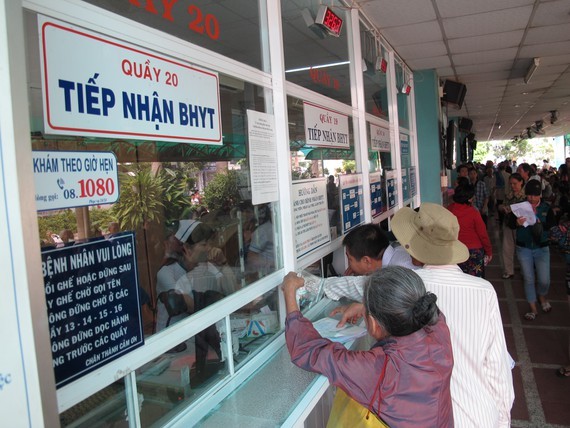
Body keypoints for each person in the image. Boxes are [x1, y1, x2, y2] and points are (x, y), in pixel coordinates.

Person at [315, 203, 514, 427]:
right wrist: (502, 420)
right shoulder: (484, 290)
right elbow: (498, 369)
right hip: (481, 414)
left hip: (430, 416)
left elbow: (352, 286)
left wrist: (305, 286)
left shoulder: (407, 286)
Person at [282, 266, 454, 427]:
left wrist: (290, 295)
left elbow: (307, 349)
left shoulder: (380, 367)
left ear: (373, 323)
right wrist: (366, 308)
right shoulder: (437, 328)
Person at [508, 179, 555, 321]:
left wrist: (542, 224)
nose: (532, 198)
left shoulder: (547, 208)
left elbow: (553, 226)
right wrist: (516, 222)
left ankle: (542, 295)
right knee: (528, 278)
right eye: (529, 195)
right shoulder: (519, 207)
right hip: (523, 248)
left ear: (540, 195)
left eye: (535, 195)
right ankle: (533, 308)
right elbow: (510, 223)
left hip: (542, 247)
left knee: (544, 280)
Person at [448, 183, 492, 277]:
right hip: (474, 251)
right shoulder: (473, 212)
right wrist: (488, 251)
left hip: (456, 249)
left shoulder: (449, 210)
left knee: (459, 278)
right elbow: (483, 234)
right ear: (469, 199)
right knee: (476, 280)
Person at [341, 223, 417, 276]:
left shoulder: (395, 275)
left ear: (366, 261)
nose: (349, 265)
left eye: (350, 259)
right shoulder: (399, 249)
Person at [500, 172, 526, 279]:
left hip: (521, 226)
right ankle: (508, 270)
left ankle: (525, 270)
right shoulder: (508, 195)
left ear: (521, 182)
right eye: (511, 184)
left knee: (522, 249)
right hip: (508, 224)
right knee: (507, 248)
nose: (512, 186)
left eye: (515, 184)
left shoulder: (525, 196)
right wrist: (503, 208)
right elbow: (503, 205)